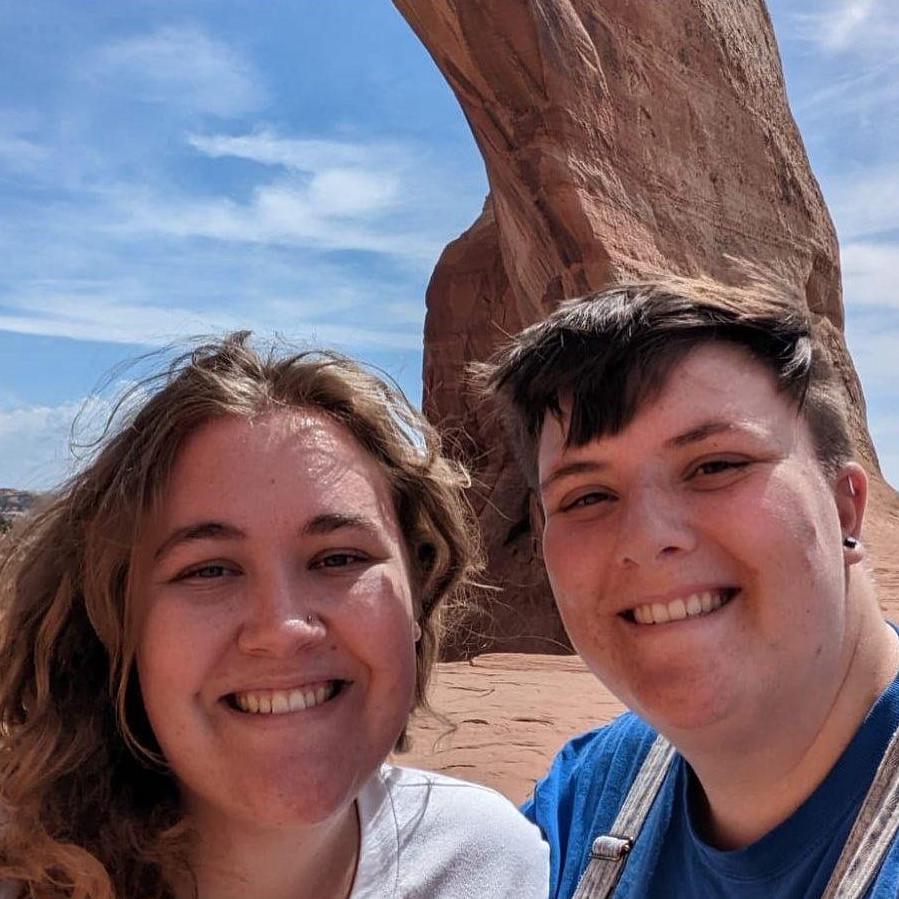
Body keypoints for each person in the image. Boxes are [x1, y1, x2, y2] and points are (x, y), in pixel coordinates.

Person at [0, 333, 549, 899]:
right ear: (116, 624)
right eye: (209, 569)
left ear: (417, 592)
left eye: (340, 558)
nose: (284, 629)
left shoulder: (489, 865)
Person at [480, 273, 899, 898]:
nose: (647, 538)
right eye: (588, 495)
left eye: (716, 465)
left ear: (845, 507)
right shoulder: (585, 798)